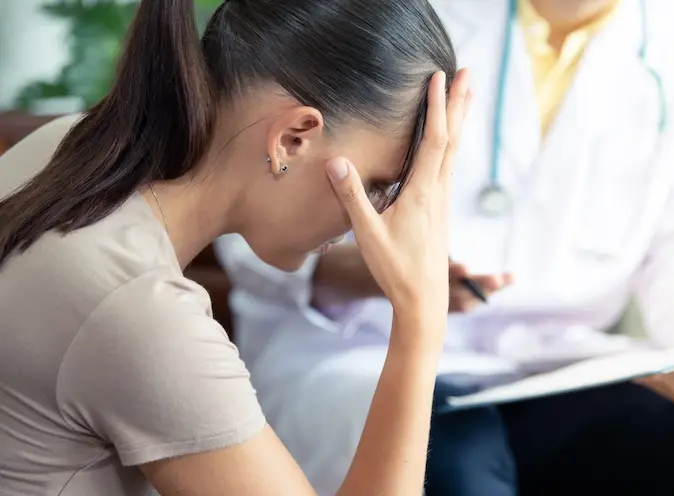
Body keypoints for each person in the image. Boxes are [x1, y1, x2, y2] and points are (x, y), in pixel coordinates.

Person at [215, 0, 674, 494]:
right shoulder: (392, 13)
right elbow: (258, 220)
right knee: (447, 445)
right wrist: (388, 274)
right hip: (360, 354)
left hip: (558, 364)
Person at [0, 0, 471, 494]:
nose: (373, 219)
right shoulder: (142, 314)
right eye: (377, 185)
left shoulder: (64, 145)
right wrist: (420, 320)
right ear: (291, 139)